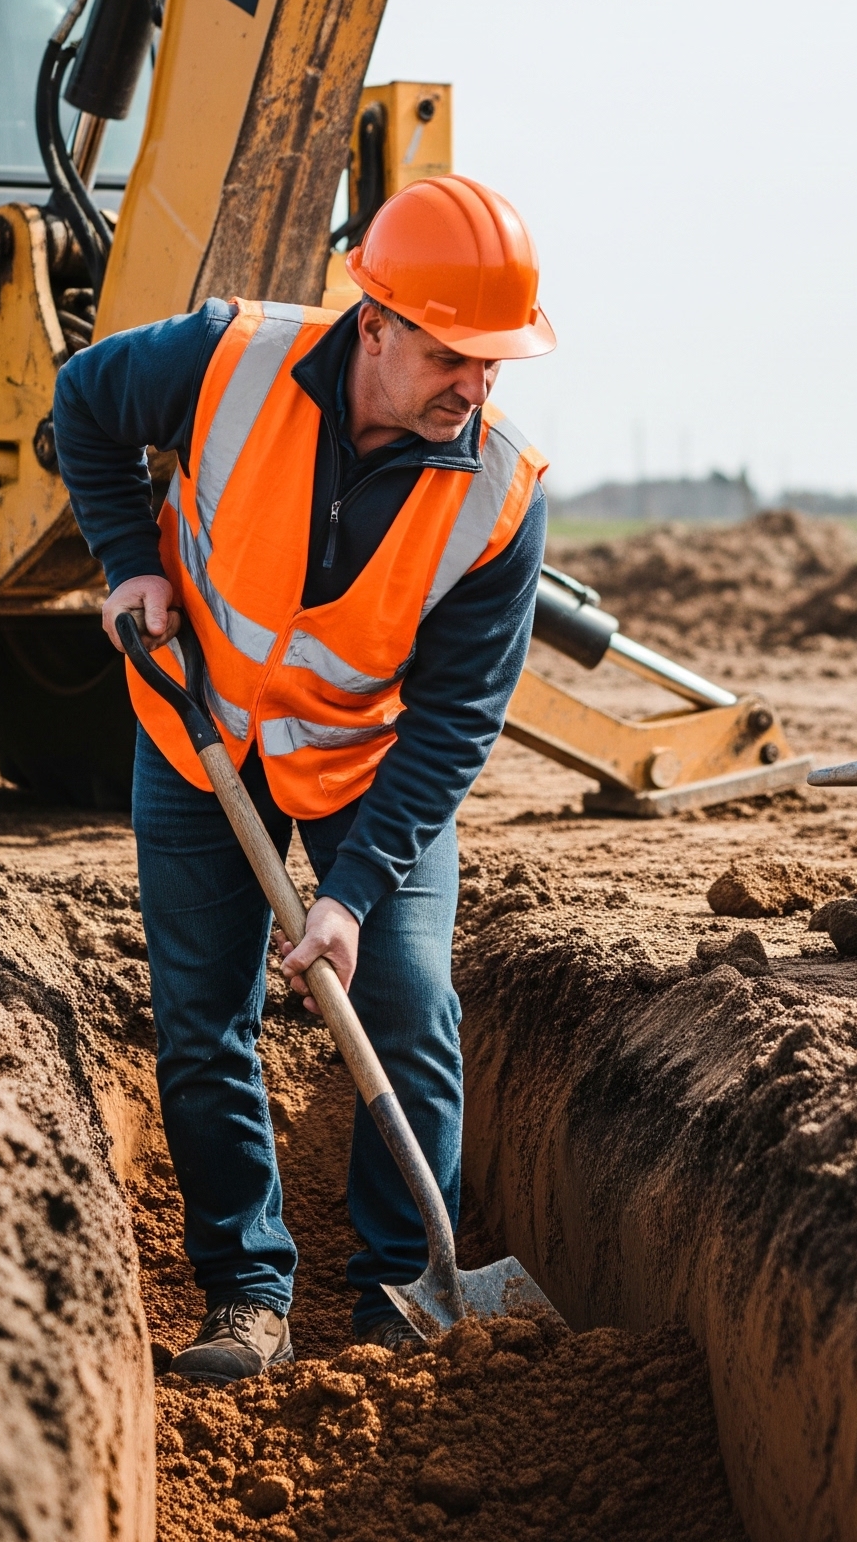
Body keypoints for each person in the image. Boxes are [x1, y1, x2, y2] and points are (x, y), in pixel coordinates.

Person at [51, 175, 554, 1381]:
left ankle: (396, 1296)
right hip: (199, 732)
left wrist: (350, 894)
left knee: (409, 1000)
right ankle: (245, 1295)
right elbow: (82, 403)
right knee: (201, 1017)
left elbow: (454, 724)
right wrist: (129, 562)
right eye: (451, 355)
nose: (475, 387)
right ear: (372, 323)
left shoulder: (499, 496)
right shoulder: (227, 360)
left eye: (495, 362)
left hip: (365, 768)